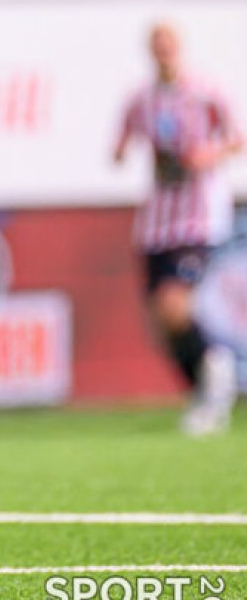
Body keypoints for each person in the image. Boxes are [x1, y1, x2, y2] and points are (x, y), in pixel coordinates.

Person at [113, 22, 242, 436]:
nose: (164, 52)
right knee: (160, 320)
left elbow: (237, 137)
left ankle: (216, 367)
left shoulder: (203, 92)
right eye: (157, 46)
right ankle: (204, 389)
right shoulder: (142, 100)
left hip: (198, 216)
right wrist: (121, 152)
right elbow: (122, 142)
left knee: (174, 304)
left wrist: (209, 154)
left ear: (179, 48)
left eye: (169, 45)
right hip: (157, 221)